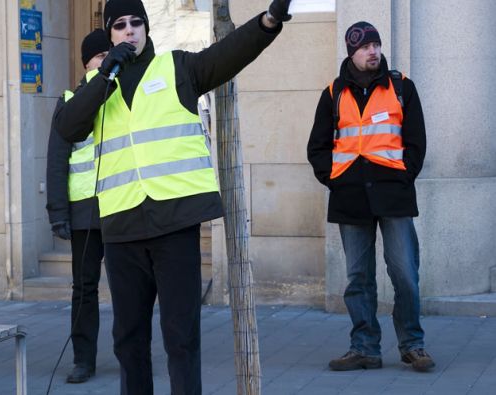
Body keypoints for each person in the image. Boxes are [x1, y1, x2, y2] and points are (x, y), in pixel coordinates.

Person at [54, 1, 292, 393]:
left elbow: (227, 55)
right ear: (110, 35)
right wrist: (103, 76)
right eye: (119, 26)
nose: (129, 31)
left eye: (136, 23)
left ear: (147, 29)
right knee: (128, 340)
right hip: (121, 227)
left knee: (180, 337)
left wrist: (268, 21)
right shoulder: (99, 87)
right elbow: (67, 126)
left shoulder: (176, 68)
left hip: (174, 223)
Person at [306, 22, 434, 372]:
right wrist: (334, 179)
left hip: (393, 195)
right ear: (352, 52)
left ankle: (413, 345)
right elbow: (317, 147)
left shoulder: (401, 87)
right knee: (358, 278)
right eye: (365, 47)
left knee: (405, 273)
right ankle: (364, 348)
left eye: (376, 45)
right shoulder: (333, 93)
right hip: (350, 197)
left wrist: (404, 175)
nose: (373, 51)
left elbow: (416, 141)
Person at [46, 28, 108, 384]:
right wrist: (58, 212)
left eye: (107, 55)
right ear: (87, 63)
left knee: (133, 289)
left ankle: (130, 351)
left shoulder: (122, 94)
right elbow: (57, 159)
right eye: (99, 57)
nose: (105, 61)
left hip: (122, 207)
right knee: (84, 289)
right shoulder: (70, 99)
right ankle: (83, 359)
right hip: (84, 212)